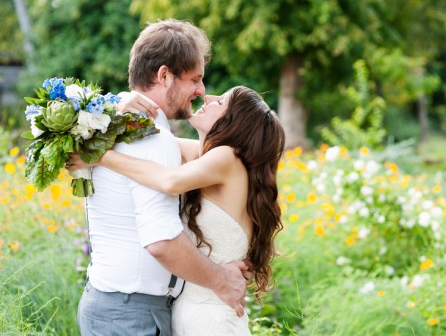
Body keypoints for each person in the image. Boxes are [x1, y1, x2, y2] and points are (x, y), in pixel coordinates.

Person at [71, 19, 252, 336]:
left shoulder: (106, 126)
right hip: (131, 313)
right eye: (195, 79)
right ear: (164, 75)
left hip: (116, 306)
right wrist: (220, 280)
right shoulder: (151, 138)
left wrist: (114, 102)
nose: (201, 91)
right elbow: (162, 242)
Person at [69, 86, 285, 335]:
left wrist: (99, 157)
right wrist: (125, 101)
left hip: (211, 321)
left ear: (237, 123)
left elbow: (169, 181)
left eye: (221, 102)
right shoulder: (204, 156)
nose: (209, 97)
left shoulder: (227, 158)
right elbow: (145, 136)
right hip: (187, 316)